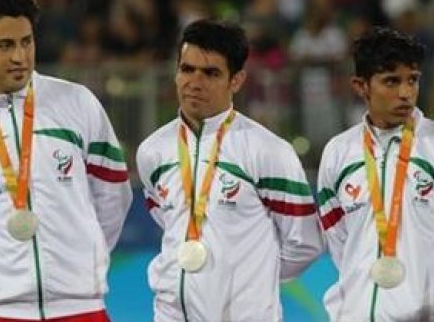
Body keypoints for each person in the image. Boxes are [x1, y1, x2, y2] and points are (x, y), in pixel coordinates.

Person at [0, 0, 132, 321]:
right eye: (5, 45)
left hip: (79, 307)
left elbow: (112, 196)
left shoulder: (77, 103)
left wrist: (81, 256)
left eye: (27, 42)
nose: (20, 56)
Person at [136, 19, 323, 321]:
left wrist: (251, 282)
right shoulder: (152, 151)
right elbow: (167, 219)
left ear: (236, 80)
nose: (195, 82)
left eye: (211, 73)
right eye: (187, 69)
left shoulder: (268, 151)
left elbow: (305, 243)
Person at [317, 26, 434, 321]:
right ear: (361, 86)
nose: (406, 93)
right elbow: (340, 243)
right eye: (391, 81)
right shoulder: (338, 153)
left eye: (412, 80)